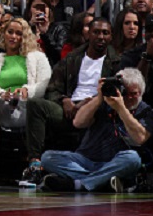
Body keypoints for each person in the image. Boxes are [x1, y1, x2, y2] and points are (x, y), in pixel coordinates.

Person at [20, 18, 120, 186]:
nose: (101, 37)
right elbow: (53, 87)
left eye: (105, 33)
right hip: (69, 108)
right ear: (88, 34)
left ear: (111, 36)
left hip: (96, 110)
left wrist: (89, 103)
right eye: (96, 32)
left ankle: (86, 176)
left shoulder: (116, 61)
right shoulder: (73, 57)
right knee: (35, 105)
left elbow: (115, 92)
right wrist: (64, 100)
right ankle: (35, 165)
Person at [41, 68, 153, 192]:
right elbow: (78, 122)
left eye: (133, 94)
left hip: (115, 163)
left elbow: (140, 138)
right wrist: (98, 98)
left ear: (141, 92)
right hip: (85, 160)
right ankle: (102, 181)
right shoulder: (104, 102)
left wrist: (121, 109)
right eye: (125, 93)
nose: (128, 97)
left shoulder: (147, 112)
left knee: (133, 159)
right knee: (47, 157)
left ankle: (79, 183)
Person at [0, 17, 51, 168]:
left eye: (18, 33)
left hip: (26, 106)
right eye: (10, 32)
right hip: (2, 105)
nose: (13, 36)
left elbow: (44, 83)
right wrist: (2, 94)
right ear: (4, 34)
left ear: (25, 36)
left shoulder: (38, 57)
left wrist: (27, 91)